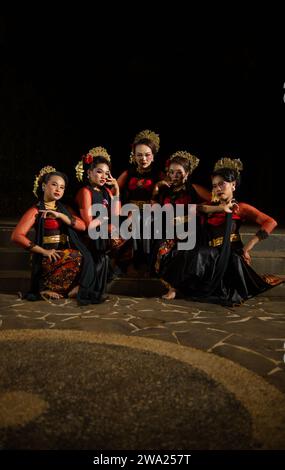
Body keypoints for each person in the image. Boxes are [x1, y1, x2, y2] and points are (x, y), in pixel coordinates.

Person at [161, 157, 282, 305]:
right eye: (214, 186)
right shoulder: (209, 207)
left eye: (222, 184)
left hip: (230, 252)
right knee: (186, 251)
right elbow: (187, 215)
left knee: (199, 254)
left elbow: (271, 222)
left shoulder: (241, 207)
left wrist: (248, 247)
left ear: (233, 185)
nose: (218, 189)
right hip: (212, 253)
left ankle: (176, 289)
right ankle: (175, 288)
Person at [11, 166, 106, 304]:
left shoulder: (64, 209)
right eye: (54, 185)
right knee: (75, 256)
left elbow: (82, 226)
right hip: (47, 256)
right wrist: (43, 251)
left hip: (63, 254)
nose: (58, 189)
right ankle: (46, 289)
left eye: (62, 187)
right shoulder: (36, 210)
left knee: (87, 256)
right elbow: (16, 236)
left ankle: (68, 289)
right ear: (44, 186)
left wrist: (60, 215)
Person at [152, 150, 211, 276]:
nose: (175, 176)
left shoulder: (193, 188)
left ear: (187, 173)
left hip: (189, 230)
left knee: (180, 251)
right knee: (160, 248)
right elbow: (154, 205)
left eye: (179, 172)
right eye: (172, 172)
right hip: (169, 230)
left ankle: (175, 287)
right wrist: (157, 187)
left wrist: (197, 208)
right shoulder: (165, 191)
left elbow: (214, 201)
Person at [75, 146, 123, 294]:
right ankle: (83, 286)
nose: (103, 176)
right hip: (90, 234)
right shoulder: (86, 191)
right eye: (99, 172)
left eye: (107, 173)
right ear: (89, 172)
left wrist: (116, 191)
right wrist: (108, 224)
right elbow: (89, 223)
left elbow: (116, 216)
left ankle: (113, 267)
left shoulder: (107, 191)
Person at [117, 129, 162, 271]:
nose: (143, 159)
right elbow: (114, 191)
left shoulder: (159, 174)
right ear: (134, 156)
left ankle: (148, 264)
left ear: (153, 156)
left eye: (147, 155)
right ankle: (131, 264)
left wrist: (157, 189)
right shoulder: (128, 173)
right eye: (139, 155)